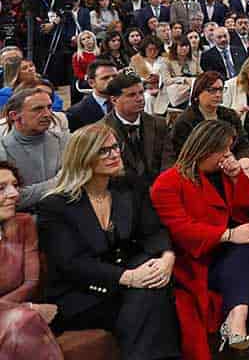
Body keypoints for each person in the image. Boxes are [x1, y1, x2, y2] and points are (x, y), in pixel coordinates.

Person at [150, 120, 249, 360]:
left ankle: (237, 317)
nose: (228, 156)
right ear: (205, 149)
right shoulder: (167, 183)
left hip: (234, 252)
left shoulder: (224, 173)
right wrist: (227, 235)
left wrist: (238, 178)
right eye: (224, 150)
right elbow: (181, 230)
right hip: (197, 257)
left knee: (248, 244)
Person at [36, 123, 181, 359]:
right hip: (84, 291)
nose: (115, 154)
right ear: (83, 158)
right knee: (150, 297)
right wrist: (129, 278)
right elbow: (72, 263)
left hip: (125, 280)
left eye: (115, 147)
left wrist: (167, 258)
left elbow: (154, 230)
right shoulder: (55, 206)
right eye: (103, 151)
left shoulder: (129, 186)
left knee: (152, 287)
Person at [0, 160, 62, 360]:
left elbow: (31, 282)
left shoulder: (24, 223)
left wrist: (18, 309)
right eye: (1, 188)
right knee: (24, 319)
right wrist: (27, 308)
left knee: (21, 322)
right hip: (20, 313)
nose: (14, 194)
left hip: (15, 316)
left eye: (15, 186)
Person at [0, 86, 68, 211]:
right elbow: (14, 198)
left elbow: (77, 184)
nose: (47, 114)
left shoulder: (64, 141)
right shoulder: (2, 149)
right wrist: (61, 181)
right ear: (14, 115)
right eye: (38, 109)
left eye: (49, 107)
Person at [169, 73, 249, 171]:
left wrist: (244, 160)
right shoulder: (185, 121)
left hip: (231, 166)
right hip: (198, 171)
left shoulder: (230, 115)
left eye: (221, 90)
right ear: (198, 93)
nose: (218, 95)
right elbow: (182, 156)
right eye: (212, 90)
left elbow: (243, 144)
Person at [103, 73, 171, 185]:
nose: (140, 98)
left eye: (141, 92)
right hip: (121, 192)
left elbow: (168, 162)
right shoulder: (102, 130)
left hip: (157, 188)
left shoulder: (159, 124)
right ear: (114, 100)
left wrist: (161, 187)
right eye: (131, 95)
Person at [67, 58, 119, 130]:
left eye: (115, 76)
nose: (112, 80)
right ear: (91, 83)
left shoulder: (129, 101)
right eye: (105, 78)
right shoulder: (76, 113)